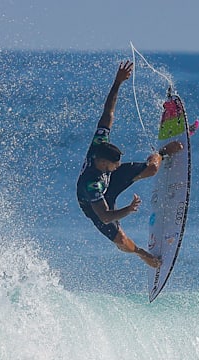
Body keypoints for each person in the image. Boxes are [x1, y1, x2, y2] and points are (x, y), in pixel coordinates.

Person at [76, 60, 183, 269]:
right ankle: (143, 255)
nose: (118, 166)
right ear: (103, 163)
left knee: (152, 168)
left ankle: (161, 153)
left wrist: (117, 82)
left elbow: (108, 114)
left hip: (108, 181)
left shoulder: (100, 145)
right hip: (95, 204)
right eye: (114, 165)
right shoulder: (92, 185)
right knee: (122, 242)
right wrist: (129, 209)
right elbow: (106, 217)